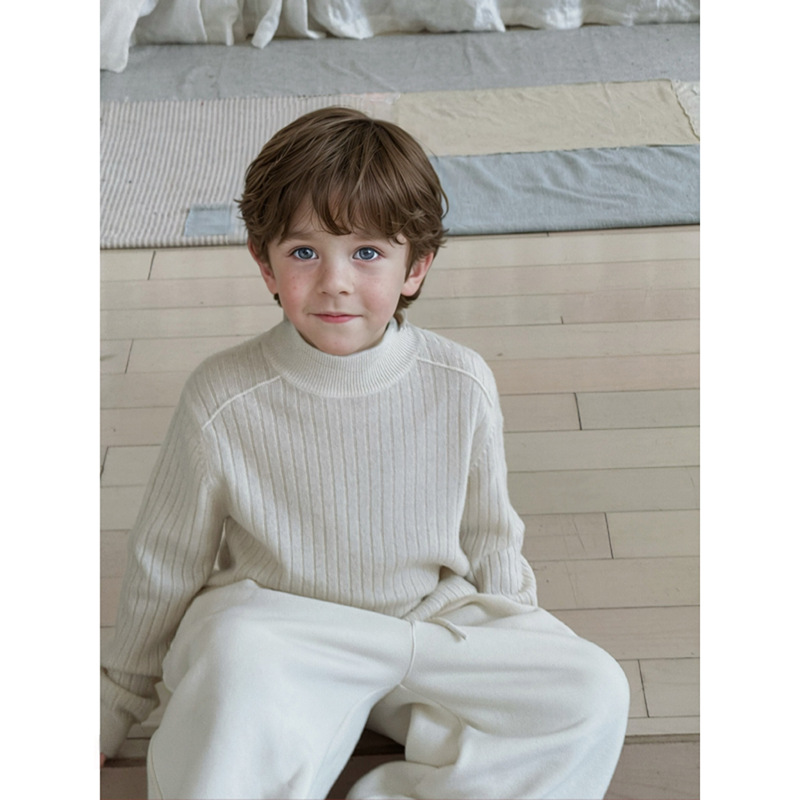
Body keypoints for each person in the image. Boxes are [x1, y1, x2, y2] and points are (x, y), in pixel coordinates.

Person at [100, 106, 629, 799]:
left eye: (368, 253)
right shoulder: (222, 396)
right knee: (231, 656)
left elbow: (491, 537)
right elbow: (166, 562)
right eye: (304, 252)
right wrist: (114, 704)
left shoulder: (462, 380)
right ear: (264, 263)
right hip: (285, 635)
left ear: (417, 267)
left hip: (426, 629)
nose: (336, 281)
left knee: (593, 689)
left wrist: (517, 651)